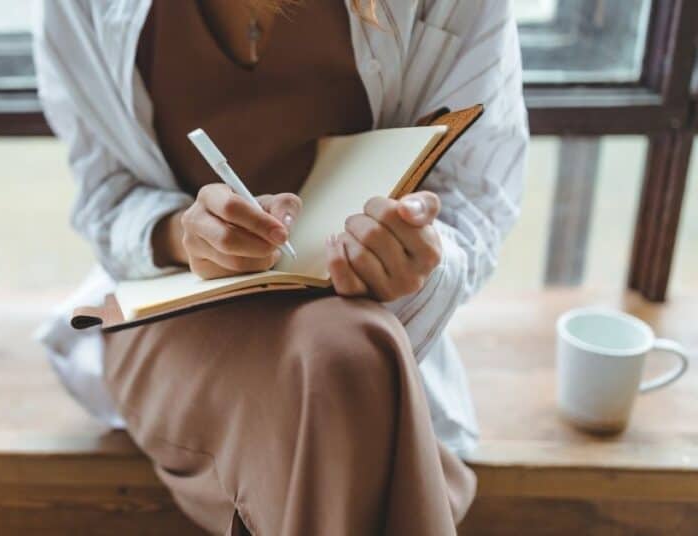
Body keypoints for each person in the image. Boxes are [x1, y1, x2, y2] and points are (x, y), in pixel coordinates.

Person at [34, 0, 528, 534]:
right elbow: (105, 196)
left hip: (364, 317)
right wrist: (184, 234)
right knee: (350, 364)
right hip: (171, 317)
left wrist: (417, 259)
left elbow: (474, 200)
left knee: (342, 352)